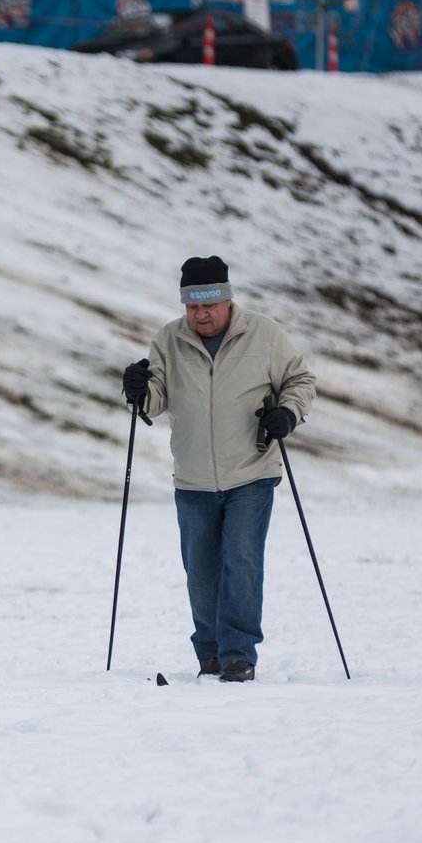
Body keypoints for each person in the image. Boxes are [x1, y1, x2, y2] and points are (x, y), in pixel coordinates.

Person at [122, 256, 316, 683]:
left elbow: (300, 380)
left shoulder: (265, 335)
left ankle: (238, 656)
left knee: (243, 562)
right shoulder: (169, 340)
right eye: (192, 306)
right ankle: (209, 654)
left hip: (252, 471)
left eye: (209, 304)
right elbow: (154, 399)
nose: (201, 314)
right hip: (192, 477)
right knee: (202, 570)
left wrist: (287, 413)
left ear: (228, 298)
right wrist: (137, 390)